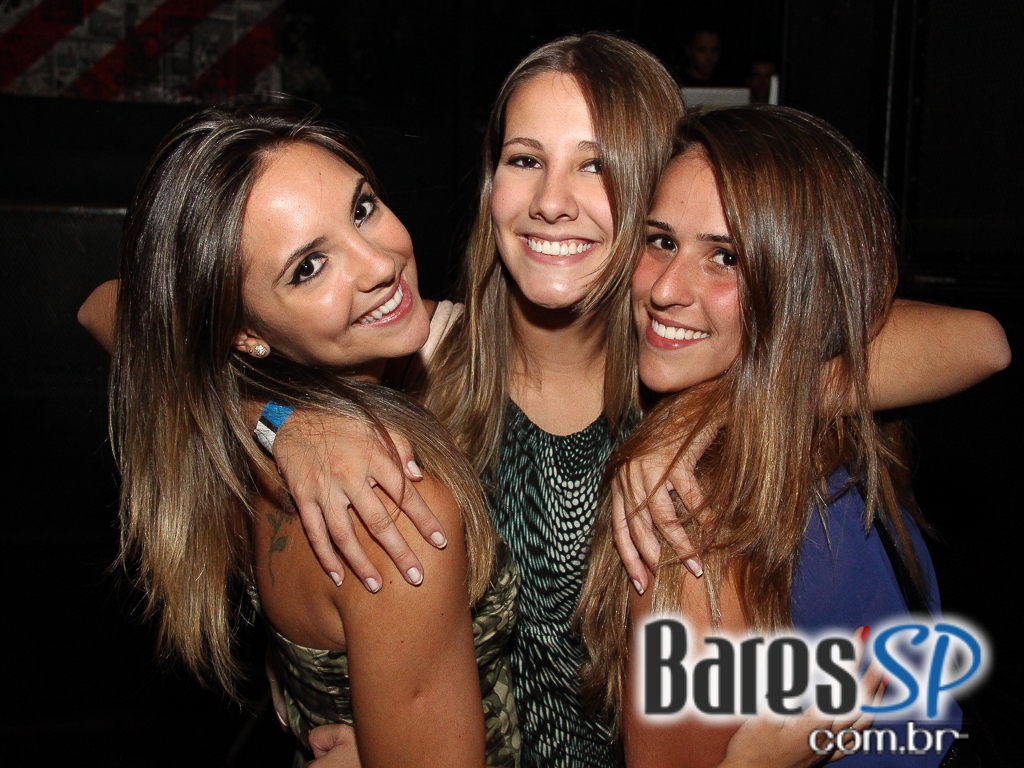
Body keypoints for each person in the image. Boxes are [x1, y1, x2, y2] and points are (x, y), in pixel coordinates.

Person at [82, 33, 1009, 768]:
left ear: (655, 189)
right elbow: (128, 309)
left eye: (597, 165)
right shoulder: (423, 350)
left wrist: (725, 404)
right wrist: (285, 415)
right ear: (490, 181)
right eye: (525, 158)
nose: (553, 201)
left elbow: (980, 342)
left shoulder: (684, 369)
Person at [108, 102, 519, 768]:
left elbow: (121, 315)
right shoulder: (387, 513)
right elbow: (119, 312)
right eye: (308, 267)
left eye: (362, 209)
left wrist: (276, 416)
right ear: (242, 332)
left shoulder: (237, 436)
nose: (378, 263)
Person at [578, 105, 982, 767]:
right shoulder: (833, 442)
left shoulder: (697, 525)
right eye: (661, 241)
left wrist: (713, 406)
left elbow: (987, 344)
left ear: (803, 287)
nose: (667, 289)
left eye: (726, 257)